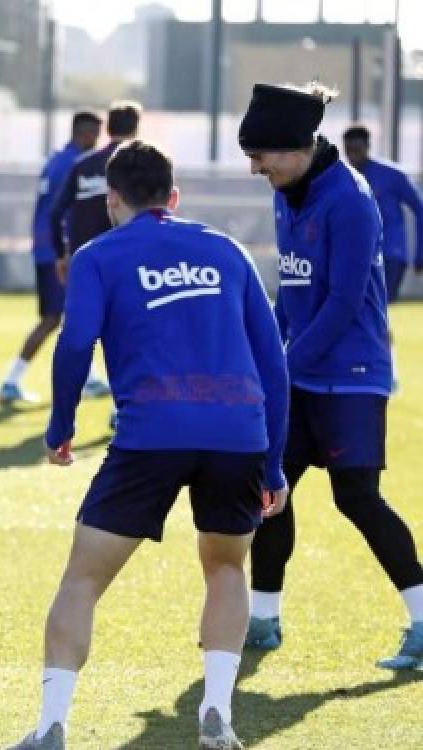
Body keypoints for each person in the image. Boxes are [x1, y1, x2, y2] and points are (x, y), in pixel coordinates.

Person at [8, 140, 289, 750]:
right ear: (174, 197)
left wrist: (60, 430)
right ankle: (218, 712)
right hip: (236, 433)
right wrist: (272, 462)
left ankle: (52, 725)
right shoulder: (226, 249)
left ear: (112, 200)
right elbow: (273, 365)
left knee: (83, 578)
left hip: (150, 437)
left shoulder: (97, 255)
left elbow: (74, 344)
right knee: (225, 567)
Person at [240, 83, 423, 669]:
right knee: (270, 492)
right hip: (302, 371)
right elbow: (292, 292)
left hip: (354, 373)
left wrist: (280, 368)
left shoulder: (351, 198)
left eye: (261, 156)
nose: (254, 169)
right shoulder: (286, 189)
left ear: (295, 147)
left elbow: (343, 303)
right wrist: (266, 347)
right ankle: (263, 620)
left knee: (358, 499)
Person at [0, 111, 101, 405]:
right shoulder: (73, 164)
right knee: (54, 318)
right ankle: (11, 380)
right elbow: (61, 211)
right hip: (58, 252)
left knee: (71, 316)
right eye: (95, 135)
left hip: (47, 249)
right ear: (85, 134)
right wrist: (64, 250)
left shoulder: (56, 159)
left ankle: (89, 378)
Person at [48, 101, 144, 406]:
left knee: (79, 332)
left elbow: (55, 213)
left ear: (108, 128)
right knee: (128, 333)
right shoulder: (137, 168)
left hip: (84, 262)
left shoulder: (83, 165)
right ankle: (122, 404)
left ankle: (69, 404)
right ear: (135, 128)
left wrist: (61, 255)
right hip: (124, 262)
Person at [341, 125, 423, 304]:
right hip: (353, 254)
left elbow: (420, 207)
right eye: (348, 150)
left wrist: (420, 252)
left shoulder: (391, 175)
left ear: (367, 146)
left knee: (376, 309)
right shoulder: (342, 177)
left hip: (389, 254)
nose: (352, 155)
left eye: (357, 149)